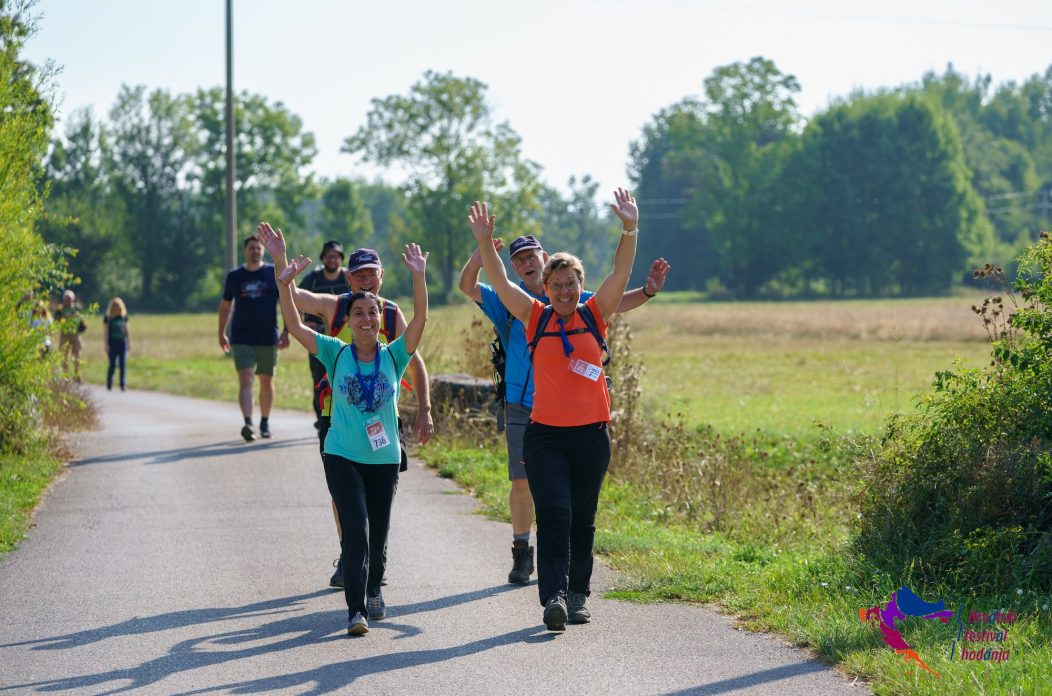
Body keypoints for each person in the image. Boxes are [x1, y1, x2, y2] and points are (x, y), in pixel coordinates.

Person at [467, 189, 639, 631]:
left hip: (590, 435)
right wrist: (486, 242)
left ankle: (579, 593)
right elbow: (500, 283)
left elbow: (622, 270)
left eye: (571, 284)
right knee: (556, 514)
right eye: (556, 285)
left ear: (581, 286)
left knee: (583, 518)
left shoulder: (596, 313)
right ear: (545, 287)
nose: (564, 291)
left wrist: (629, 227)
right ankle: (554, 598)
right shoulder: (535, 317)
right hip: (544, 435)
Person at [459, 237, 669, 585]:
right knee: (527, 485)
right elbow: (477, 284)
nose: (527, 262)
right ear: (524, 272)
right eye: (519, 259)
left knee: (574, 508)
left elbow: (614, 297)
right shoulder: (520, 306)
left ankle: (572, 585)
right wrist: (480, 251)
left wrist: (646, 288)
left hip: (580, 418)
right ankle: (526, 555)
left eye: (532, 256)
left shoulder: (577, 301)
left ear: (544, 259)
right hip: (525, 408)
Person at [256, 223, 434, 589]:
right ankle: (350, 551)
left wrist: (426, 407)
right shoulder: (334, 305)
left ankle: (374, 556)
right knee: (344, 491)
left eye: (373, 274)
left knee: (379, 493)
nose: (367, 282)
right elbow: (296, 301)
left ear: (382, 277)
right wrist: (281, 264)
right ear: (349, 280)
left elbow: (413, 358)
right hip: (333, 411)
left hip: (383, 417)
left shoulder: (391, 313)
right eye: (360, 276)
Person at [218, 236, 290, 441]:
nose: (255, 251)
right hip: (241, 336)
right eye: (251, 248)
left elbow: (286, 301)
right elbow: (225, 307)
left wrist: (287, 331)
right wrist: (221, 332)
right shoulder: (235, 276)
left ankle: (265, 422)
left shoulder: (271, 273)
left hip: (268, 336)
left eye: (258, 248)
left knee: (266, 380)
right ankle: (248, 423)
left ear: (263, 251)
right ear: (245, 251)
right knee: (246, 377)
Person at [298, 240, 351, 428]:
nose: (332, 258)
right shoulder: (312, 279)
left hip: (346, 338)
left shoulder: (349, 278)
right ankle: (322, 418)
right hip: (318, 339)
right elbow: (293, 300)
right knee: (319, 379)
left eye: (336, 255)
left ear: (341, 259)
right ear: (322, 257)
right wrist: (300, 325)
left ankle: (343, 417)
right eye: (328, 255)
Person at [54, 290, 86, 379]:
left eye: (70, 299)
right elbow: (56, 321)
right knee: (64, 356)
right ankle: (65, 375)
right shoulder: (60, 309)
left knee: (77, 354)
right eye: (66, 299)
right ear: (64, 299)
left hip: (75, 334)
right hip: (64, 334)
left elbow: (83, 320)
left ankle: (77, 374)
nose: (68, 301)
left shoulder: (77, 309)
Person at [103, 297, 131, 391]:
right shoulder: (108, 318)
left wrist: (129, 342)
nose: (117, 310)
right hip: (112, 342)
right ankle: (109, 381)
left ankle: (122, 384)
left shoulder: (123, 317)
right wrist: (106, 344)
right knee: (113, 364)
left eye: (119, 308)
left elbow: (126, 330)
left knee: (122, 363)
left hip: (122, 342)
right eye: (115, 308)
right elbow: (106, 331)